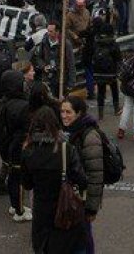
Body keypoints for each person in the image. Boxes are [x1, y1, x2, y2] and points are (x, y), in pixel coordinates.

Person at [21, 105, 88, 254]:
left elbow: (26, 183)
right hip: (65, 207)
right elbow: (81, 179)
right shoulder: (66, 148)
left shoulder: (28, 151)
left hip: (41, 209)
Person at [61, 95, 104, 253]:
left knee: (83, 240)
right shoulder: (66, 131)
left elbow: (96, 174)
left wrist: (92, 208)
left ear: (79, 113)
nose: (64, 116)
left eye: (68, 112)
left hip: (83, 199)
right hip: (69, 197)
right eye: (62, 111)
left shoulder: (90, 136)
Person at [0, 69, 33, 222]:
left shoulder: (5, 102)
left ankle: (14, 205)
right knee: (17, 177)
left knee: (13, 175)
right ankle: (19, 210)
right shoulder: (22, 105)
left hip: (8, 145)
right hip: (18, 145)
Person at [87, 18, 121, 120]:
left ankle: (100, 114)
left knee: (101, 92)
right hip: (111, 72)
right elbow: (118, 57)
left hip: (98, 72)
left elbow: (92, 54)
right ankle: (116, 109)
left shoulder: (97, 42)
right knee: (114, 90)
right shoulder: (113, 43)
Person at [32, 20, 76, 99]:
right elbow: (39, 58)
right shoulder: (44, 42)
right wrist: (44, 66)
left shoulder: (65, 44)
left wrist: (71, 83)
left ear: (57, 32)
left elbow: (71, 63)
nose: (48, 33)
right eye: (48, 31)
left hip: (61, 80)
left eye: (51, 31)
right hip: (48, 78)